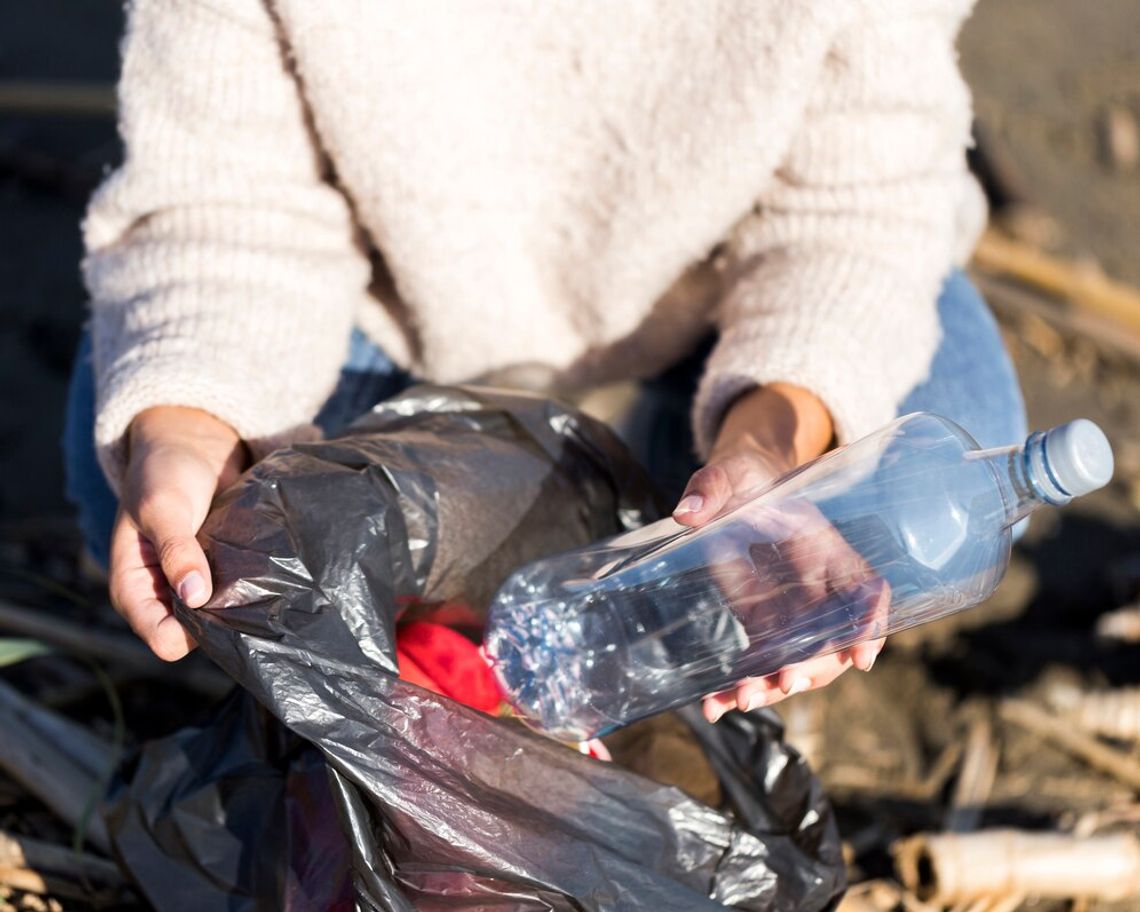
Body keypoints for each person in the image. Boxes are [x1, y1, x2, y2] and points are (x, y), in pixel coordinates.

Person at [64, 0, 1026, 724]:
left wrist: (773, 446)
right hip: (384, 301)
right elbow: (225, 200)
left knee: (955, 444)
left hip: (711, 310)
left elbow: (855, 211)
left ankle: (573, 541)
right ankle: (578, 544)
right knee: (136, 455)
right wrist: (190, 424)